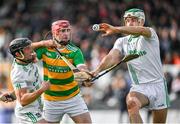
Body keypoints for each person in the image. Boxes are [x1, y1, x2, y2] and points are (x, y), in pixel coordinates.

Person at [91, 8, 170, 123]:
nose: (129, 23)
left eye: (133, 20)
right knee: (131, 102)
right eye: (127, 20)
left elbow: (140, 31)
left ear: (141, 22)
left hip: (158, 86)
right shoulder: (122, 41)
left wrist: (116, 29)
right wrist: (97, 70)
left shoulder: (149, 34)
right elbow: (111, 57)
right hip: (139, 87)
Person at [34, 20, 92, 123]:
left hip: (73, 98)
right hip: (51, 100)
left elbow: (82, 67)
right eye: (62, 31)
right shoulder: (44, 49)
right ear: (54, 33)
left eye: (68, 30)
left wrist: (86, 76)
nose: (66, 34)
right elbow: (24, 52)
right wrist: (42, 43)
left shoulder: (75, 51)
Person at [9, 38, 52, 123]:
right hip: (27, 112)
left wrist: (43, 43)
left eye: (29, 47)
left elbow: (32, 46)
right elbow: (23, 101)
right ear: (18, 54)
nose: (31, 51)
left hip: (38, 106)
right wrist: (42, 89)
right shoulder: (18, 73)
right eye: (27, 49)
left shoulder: (24, 58)